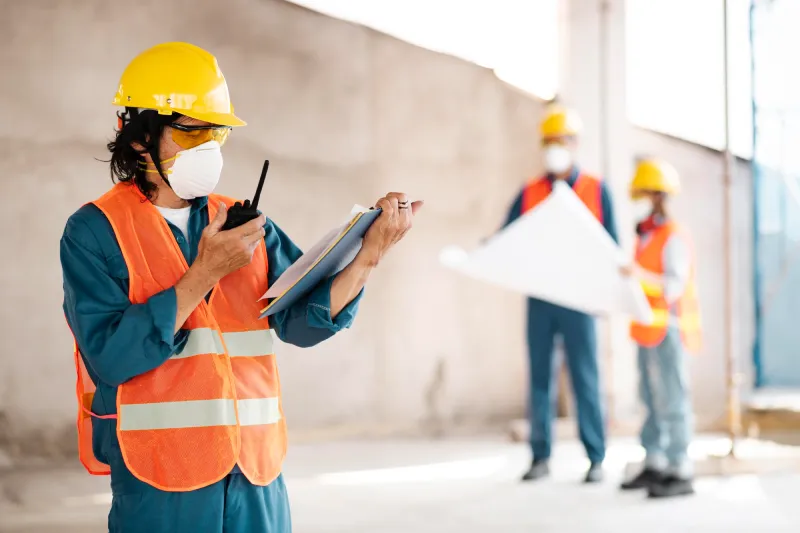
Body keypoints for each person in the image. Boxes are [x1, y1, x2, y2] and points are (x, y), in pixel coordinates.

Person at [61, 42, 422, 533]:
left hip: (255, 475)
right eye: (191, 131)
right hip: (162, 481)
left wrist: (368, 257)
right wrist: (205, 274)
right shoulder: (95, 231)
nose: (208, 147)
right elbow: (111, 356)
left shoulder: (245, 225)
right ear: (139, 136)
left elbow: (302, 324)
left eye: (217, 132)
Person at [504, 106, 619, 483]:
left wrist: (605, 295)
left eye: (562, 140)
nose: (555, 147)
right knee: (540, 378)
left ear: (575, 143)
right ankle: (540, 457)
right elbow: (507, 238)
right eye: (549, 141)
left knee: (585, 377)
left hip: (580, 299)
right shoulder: (530, 191)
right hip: (541, 297)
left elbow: (612, 248)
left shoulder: (597, 190)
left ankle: (596, 458)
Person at [619, 158, 701, 498]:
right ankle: (654, 461)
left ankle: (680, 467)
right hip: (646, 329)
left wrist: (637, 276)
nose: (644, 202)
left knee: (672, 397)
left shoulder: (673, 236)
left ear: (660, 197)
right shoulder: (646, 235)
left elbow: (672, 287)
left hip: (669, 329)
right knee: (649, 398)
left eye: (648, 195)